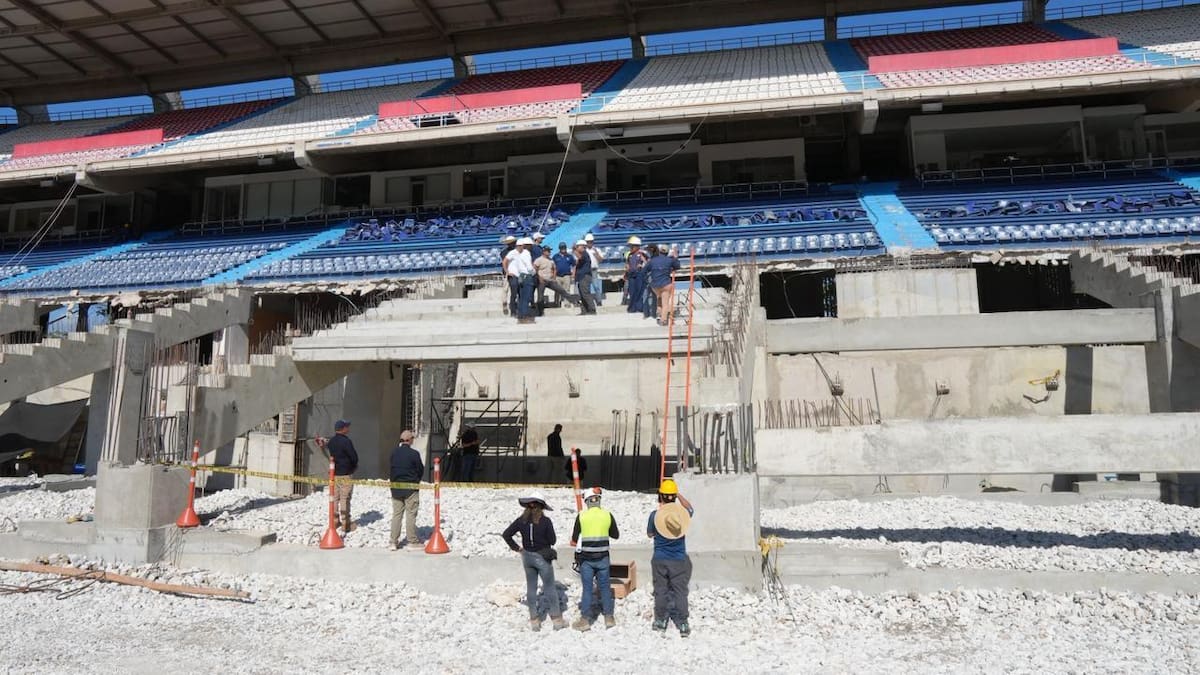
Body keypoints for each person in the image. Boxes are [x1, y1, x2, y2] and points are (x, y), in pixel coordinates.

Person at [501, 493, 567, 631]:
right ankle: (557, 620)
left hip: (527, 556)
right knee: (549, 588)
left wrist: (517, 548)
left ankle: (534, 620)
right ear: (542, 506)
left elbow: (506, 534)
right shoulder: (545, 521)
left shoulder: (521, 521)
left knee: (531, 588)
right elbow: (553, 540)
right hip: (542, 557)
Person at [647, 478, 694, 636]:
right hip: (678, 559)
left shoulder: (654, 515)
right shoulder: (682, 516)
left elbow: (649, 533)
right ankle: (683, 624)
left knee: (661, 590)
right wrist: (678, 495)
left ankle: (660, 620)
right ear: (673, 496)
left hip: (660, 558)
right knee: (680, 591)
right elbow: (690, 508)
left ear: (660, 496)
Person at [570, 487, 620, 630]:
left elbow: (574, 539)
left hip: (586, 560)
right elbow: (615, 535)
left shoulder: (581, 516)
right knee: (604, 588)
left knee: (587, 589)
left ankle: (585, 620)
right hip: (603, 558)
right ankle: (609, 617)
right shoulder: (607, 515)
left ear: (587, 501)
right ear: (598, 500)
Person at [317, 419, 358, 533]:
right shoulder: (346, 441)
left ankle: (334, 522)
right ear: (343, 429)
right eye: (347, 426)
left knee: (335, 499)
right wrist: (353, 467)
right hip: (345, 474)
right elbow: (354, 457)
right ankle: (346, 524)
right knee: (345, 499)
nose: (348, 428)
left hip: (334, 475)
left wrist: (322, 442)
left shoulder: (332, 441)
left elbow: (327, 445)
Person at [389, 430, 425, 550]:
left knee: (397, 515)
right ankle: (412, 541)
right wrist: (416, 481)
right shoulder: (414, 454)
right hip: (410, 488)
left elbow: (392, 468)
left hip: (396, 488)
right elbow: (420, 470)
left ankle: (393, 542)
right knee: (411, 514)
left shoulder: (394, 452)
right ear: (409, 440)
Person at [644, 243, 681, 326]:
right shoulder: (669, 260)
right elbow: (678, 266)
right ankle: (663, 320)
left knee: (659, 298)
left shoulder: (653, 260)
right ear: (667, 253)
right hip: (665, 284)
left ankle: (658, 314)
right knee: (665, 303)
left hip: (655, 285)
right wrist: (675, 257)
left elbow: (645, 270)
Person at [534, 247, 577, 314]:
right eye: (548, 251)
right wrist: (539, 278)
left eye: (549, 251)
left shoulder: (551, 260)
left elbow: (554, 268)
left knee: (561, 290)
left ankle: (573, 302)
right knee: (540, 295)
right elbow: (535, 269)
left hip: (550, 280)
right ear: (544, 252)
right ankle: (540, 311)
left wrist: (554, 277)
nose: (549, 252)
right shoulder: (539, 260)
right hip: (542, 280)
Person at [506, 236, 536, 324]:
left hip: (521, 276)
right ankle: (524, 316)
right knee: (526, 297)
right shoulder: (526, 253)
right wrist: (533, 272)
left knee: (522, 298)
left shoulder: (518, 254)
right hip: (527, 276)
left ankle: (521, 316)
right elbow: (529, 267)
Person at [624, 236, 649, 314]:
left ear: (637, 246)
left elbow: (649, 264)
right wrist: (626, 271)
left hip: (639, 274)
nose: (631, 248)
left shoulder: (642, 254)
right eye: (630, 246)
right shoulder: (629, 255)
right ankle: (632, 308)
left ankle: (639, 307)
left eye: (632, 246)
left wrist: (643, 264)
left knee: (639, 291)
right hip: (631, 275)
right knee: (632, 291)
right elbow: (628, 264)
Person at [573, 240, 596, 315]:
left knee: (585, 293)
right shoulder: (582, 254)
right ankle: (585, 310)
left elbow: (580, 257)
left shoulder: (585, 254)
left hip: (585, 276)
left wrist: (574, 250)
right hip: (580, 277)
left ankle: (592, 309)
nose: (577, 248)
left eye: (578, 246)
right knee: (582, 295)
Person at [552, 242, 575, 307]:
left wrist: (573, 273)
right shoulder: (555, 256)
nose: (563, 249)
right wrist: (553, 276)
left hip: (566, 275)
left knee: (567, 289)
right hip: (558, 276)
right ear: (559, 249)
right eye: (562, 248)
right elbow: (553, 266)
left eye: (564, 248)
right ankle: (556, 303)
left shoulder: (569, 256)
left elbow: (573, 265)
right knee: (557, 290)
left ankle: (567, 303)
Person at [500, 234, 518, 316]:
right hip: (508, 272)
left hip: (513, 272)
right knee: (507, 289)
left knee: (510, 289)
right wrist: (507, 272)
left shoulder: (505, 252)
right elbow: (506, 262)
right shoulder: (505, 252)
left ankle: (507, 302)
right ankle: (505, 302)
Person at [584, 233, 604, 306]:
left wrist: (596, 254)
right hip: (586, 270)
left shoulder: (597, 250)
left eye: (590, 241)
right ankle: (588, 302)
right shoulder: (584, 251)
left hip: (594, 270)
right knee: (587, 287)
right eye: (588, 242)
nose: (589, 243)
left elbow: (601, 260)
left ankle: (599, 301)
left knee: (596, 286)